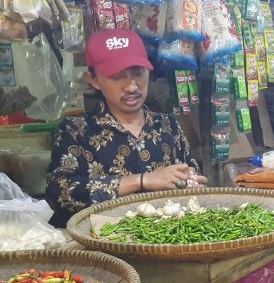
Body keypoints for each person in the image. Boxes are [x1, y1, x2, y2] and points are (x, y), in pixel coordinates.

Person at [46, 29, 206, 227]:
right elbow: (60, 192)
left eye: (138, 73)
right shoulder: (76, 131)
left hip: (167, 239)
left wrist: (189, 181)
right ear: (93, 80)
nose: (131, 87)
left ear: (149, 71)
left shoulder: (168, 126)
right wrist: (142, 180)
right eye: (116, 76)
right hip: (105, 243)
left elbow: (192, 175)